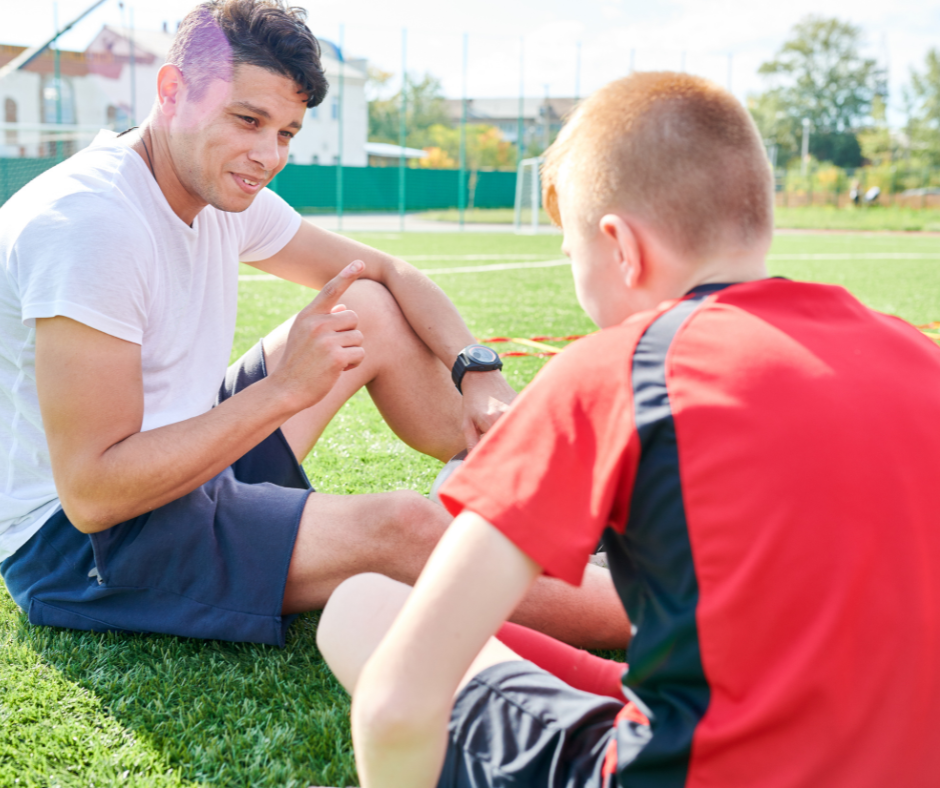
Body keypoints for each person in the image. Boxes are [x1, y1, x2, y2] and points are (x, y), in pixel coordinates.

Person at [317, 71, 940, 787]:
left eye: (573, 260)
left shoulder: (621, 367)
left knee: (363, 608)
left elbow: (398, 704)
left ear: (620, 247)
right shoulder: (918, 356)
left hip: (690, 769)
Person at [0, 0, 629, 650]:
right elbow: (93, 493)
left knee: (367, 308)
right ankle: (673, 616)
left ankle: (513, 488)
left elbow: (387, 271)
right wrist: (281, 391)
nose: (267, 155)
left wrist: (479, 372)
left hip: (188, 456)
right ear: (172, 92)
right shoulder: (90, 224)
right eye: (249, 120)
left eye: (286, 133)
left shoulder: (222, 190)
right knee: (401, 526)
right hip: (80, 543)